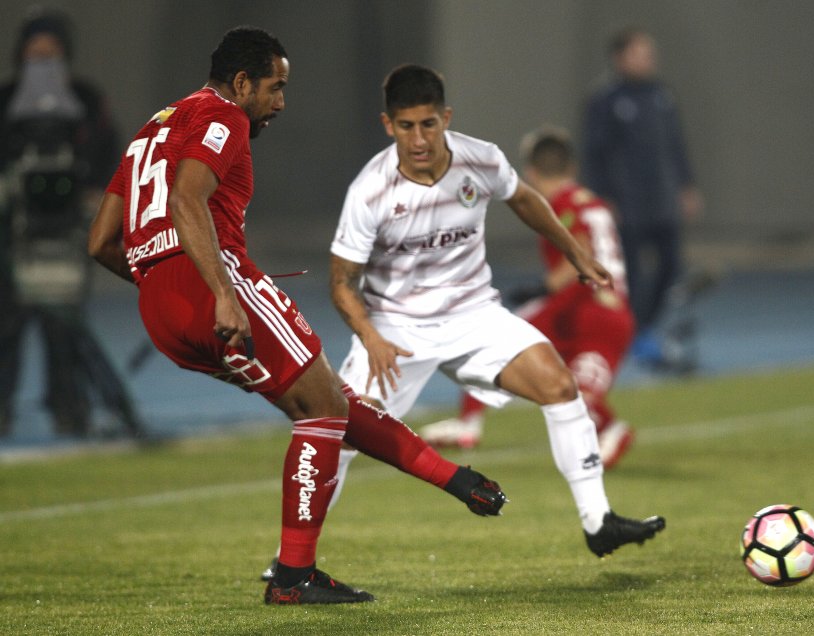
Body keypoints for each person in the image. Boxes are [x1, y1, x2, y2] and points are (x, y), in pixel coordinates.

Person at [87, 27, 506, 606]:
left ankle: (452, 480)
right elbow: (187, 198)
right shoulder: (222, 114)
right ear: (241, 83)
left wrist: (166, 289)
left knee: (323, 403)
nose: (280, 102)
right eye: (275, 87)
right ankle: (293, 576)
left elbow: (102, 243)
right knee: (322, 408)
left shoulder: (150, 130)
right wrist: (220, 292)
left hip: (162, 308)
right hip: (213, 284)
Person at [327, 64, 664, 558]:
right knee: (340, 434)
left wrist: (575, 253)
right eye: (405, 126)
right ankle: (292, 563)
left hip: (473, 317)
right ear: (387, 125)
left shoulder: (479, 159)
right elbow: (341, 283)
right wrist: (371, 338)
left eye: (428, 124)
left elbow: (524, 199)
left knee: (559, 385)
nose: (418, 138)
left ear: (446, 117)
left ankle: (599, 522)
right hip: (397, 328)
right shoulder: (370, 190)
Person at [419, 127, 636, 469]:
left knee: (489, 340)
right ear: (572, 167)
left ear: (531, 172)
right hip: (611, 311)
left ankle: (468, 424)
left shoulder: (562, 202)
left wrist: (544, 287)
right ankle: (610, 429)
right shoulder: (591, 201)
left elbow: (582, 248)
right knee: (567, 388)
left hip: (580, 306)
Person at [0, 8, 140, 437]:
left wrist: (95, 192)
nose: (42, 56)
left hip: (66, 230)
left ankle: (69, 407)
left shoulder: (86, 99)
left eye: (51, 48)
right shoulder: (5, 101)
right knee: (7, 325)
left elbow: (108, 153)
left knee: (64, 327)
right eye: (34, 47)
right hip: (12, 232)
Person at [582, 27, 702, 367]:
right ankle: (635, 333)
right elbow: (595, 152)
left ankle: (644, 325)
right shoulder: (604, 100)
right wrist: (602, 196)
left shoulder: (662, 95)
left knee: (670, 265)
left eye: (650, 52)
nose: (649, 59)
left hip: (662, 198)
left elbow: (676, 144)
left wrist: (686, 185)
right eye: (640, 52)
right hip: (627, 202)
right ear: (620, 58)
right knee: (631, 273)